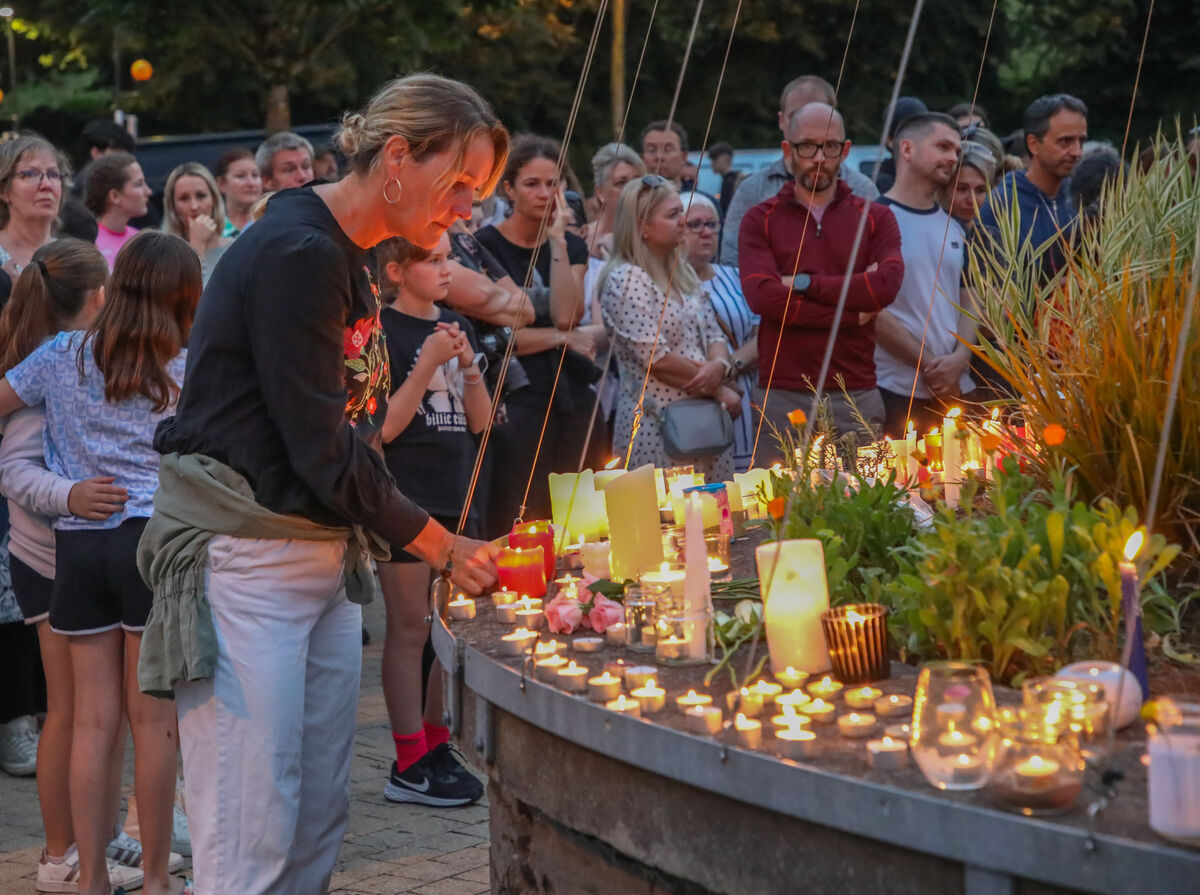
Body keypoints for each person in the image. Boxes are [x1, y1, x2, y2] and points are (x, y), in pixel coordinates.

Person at [144, 74, 504, 894]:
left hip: (319, 558)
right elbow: (319, 444)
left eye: (475, 194)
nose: (463, 211)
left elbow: (352, 430)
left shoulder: (348, 253)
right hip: (247, 561)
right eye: (459, 186)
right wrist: (442, 545)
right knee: (250, 826)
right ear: (400, 157)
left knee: (313, 817)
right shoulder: (299, 252)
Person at [0, 231, 198, 895]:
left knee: (89, 718)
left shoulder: (61, 353)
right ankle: (154, 878)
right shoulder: (185, 363)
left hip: (78, 542)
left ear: (114, 287)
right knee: (153, 723)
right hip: (152, 540)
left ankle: (87, 877)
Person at [375, 233, 488, 806]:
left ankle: (437, 740)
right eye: (436, 260)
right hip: (404, 497)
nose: (450, 269)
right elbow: (385, 428)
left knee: (445, 628)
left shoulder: (450, 326)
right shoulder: (383, 332)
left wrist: (468, 366)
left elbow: (480, 421)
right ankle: (408, 759)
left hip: (454, 493)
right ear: (397, 270)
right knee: (410, 626)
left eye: (451, 258)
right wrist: (425, 366)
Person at [739, 102, 904, 456]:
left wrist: (801, 284)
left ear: (845, 150)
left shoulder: (876, 218)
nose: (819, 157)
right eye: (807, 146)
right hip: (782, 393)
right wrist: (850, 312)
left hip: (854, 391)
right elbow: (763, 297)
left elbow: (886, 285)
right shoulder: (759, 219)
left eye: (830, 146)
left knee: (863, 506)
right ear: (788, 150)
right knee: (780, 507)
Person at [475, 135, 595, 535]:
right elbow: (494, 340)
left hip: (570, 397)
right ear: (508, 188)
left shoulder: (571, 244)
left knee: (579, 513)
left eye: (554, 183)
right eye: (532, 183)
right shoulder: (483, 246)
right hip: (515, 400)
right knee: (522, 512)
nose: (546, 193)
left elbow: (566, 314)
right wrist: (561, 340)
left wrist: (558, 241)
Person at [599, 175, 739, 480]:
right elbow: (656, 358)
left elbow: (714, 333)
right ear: (642, 226)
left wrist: (719, 364)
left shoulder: (683, 272)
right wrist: (718, 388)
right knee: (668, 522)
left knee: (718, 518)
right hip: (657, 426)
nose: (683, 221)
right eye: (673, 214)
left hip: (706, 424)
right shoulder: (625, 279)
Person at [874, 113, 977, 437]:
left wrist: (960, 359)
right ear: (907, 149)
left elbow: (969, 296)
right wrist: (932, 364)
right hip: (897, 393)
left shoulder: (953, 225)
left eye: (957, 151)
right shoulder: (874, 220)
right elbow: (869, 310)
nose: (953, 157)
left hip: (956, 390)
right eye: (943, 146)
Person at [719, 75, 878, 265]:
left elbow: (880, 264)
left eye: (818, 113)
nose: (807, 122)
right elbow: (732, 263)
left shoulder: (861, 188)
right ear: (781, 120)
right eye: (796, 115)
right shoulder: (752, 191)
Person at [681, 193, 758, 472]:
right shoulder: (663, 285)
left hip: (742, 396)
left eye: (712, 224)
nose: (706, 232)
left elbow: (763, 334)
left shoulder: (736, 277)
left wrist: (727, 369)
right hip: (689, 397)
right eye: (695, 224)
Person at [978, 94, 1087, 286]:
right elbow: (990, 290)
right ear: (1033, 144)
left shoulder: (1081, 199)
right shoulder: (1000, 206)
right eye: (1065, 141)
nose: (1077, 151)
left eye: (1081, 141)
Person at [0, 135, 69, 306]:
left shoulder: (73, 257)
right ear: (3, 190)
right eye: (30, 174)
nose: (46, 184)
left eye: (53, 174)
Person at [163, 162, 232, 284]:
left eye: (201, 196)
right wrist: (197, 244)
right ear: (173, 206)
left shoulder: (235, 248)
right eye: (184, 198)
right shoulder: (164, 255)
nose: (194, 206)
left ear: (214, 199)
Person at [84, 151, 151, 270]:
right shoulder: (90, 242)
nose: (148, 191)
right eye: (139, 184)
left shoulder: (141, 239)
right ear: (115, 196)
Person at [68, 120, 136, 203]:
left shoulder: (83, 181)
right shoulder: (94, 185)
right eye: (119, 155)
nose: (125, 161)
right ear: (96, 153)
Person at [874, 95, 929, 194]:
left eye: (925, 132)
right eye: (910, 133)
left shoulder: (933, 181)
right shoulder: (876, 186)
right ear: (889, 140)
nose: (920, 139)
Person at [214, 147, 262, 237]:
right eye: (241, 176)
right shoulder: (212, 229)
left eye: (255, 175)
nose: (251, 183)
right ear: (221, 184)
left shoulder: (271, 222)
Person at [640, 120, 690, 189]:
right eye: (651, 150)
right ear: (642, 157)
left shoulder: (697, 198)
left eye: (668, 149)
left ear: (684, 157)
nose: (659, 156)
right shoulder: (631, 198)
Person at [708, 142, 742, 216]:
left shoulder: (731, 181)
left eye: (714, 159)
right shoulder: (729, 179)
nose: (712, 164)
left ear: (727, 158)